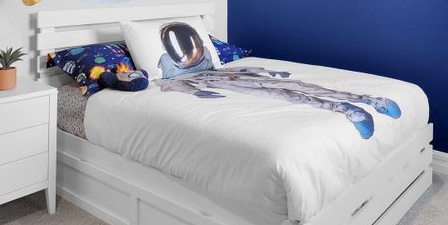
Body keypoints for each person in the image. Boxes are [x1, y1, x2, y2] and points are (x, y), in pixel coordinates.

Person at [160, 65, 401, 139]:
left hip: (238, 76)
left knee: (301, 86)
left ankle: (366, 99)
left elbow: (236, 65)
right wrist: (193, 92)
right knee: (289, 95)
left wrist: (267, 71)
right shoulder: (170, 72)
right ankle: (344, 108)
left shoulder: (200, 57)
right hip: (230, 84)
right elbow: (167, 83)